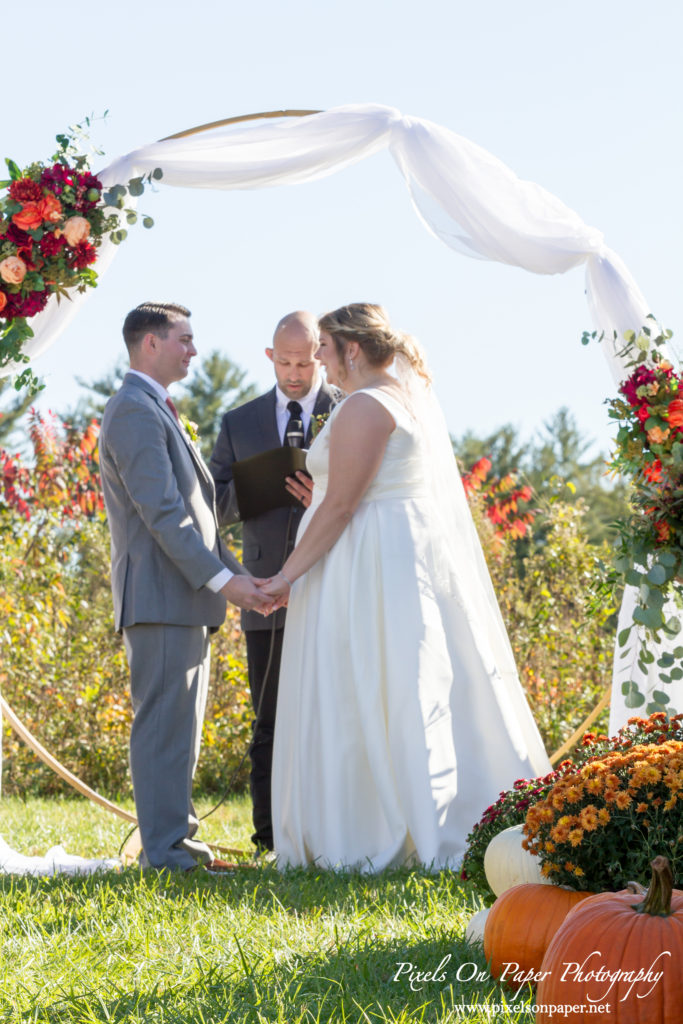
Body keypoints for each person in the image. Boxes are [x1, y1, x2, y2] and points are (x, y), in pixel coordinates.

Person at [260, 303, 551, 871]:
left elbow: (343, 505)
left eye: (323, 346)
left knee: (371, 683)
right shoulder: (394, 399)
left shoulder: (367, 406)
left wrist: (286, 575)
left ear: (350, 348)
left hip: (368, 565)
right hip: (387, 555)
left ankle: (373, 828)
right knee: (395, 684)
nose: (318, 358)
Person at [98, 302, 272, 872]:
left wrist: (238, 575)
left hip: (182, 599)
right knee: (164, 728)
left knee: (180, 729)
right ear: (151, 343)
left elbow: (200, 517)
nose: (193, 351)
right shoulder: (133, 411)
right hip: (160, 598)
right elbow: (163, 514)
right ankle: (167, 854)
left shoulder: (157, 409)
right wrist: (223, 581)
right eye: (184, 339)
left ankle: (180, 844)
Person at [209, 311, 338, 853]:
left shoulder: (349, 408)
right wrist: (266, 485)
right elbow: (212, 502)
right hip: (264, 591)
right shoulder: (239, 422)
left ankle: (330, 830)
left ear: (322, 356)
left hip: (334, 582)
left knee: (334, 710)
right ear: (269, 357)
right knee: (270, 717)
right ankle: (267, 837)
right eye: (284, 362)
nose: (294, 372)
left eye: (304, 362)